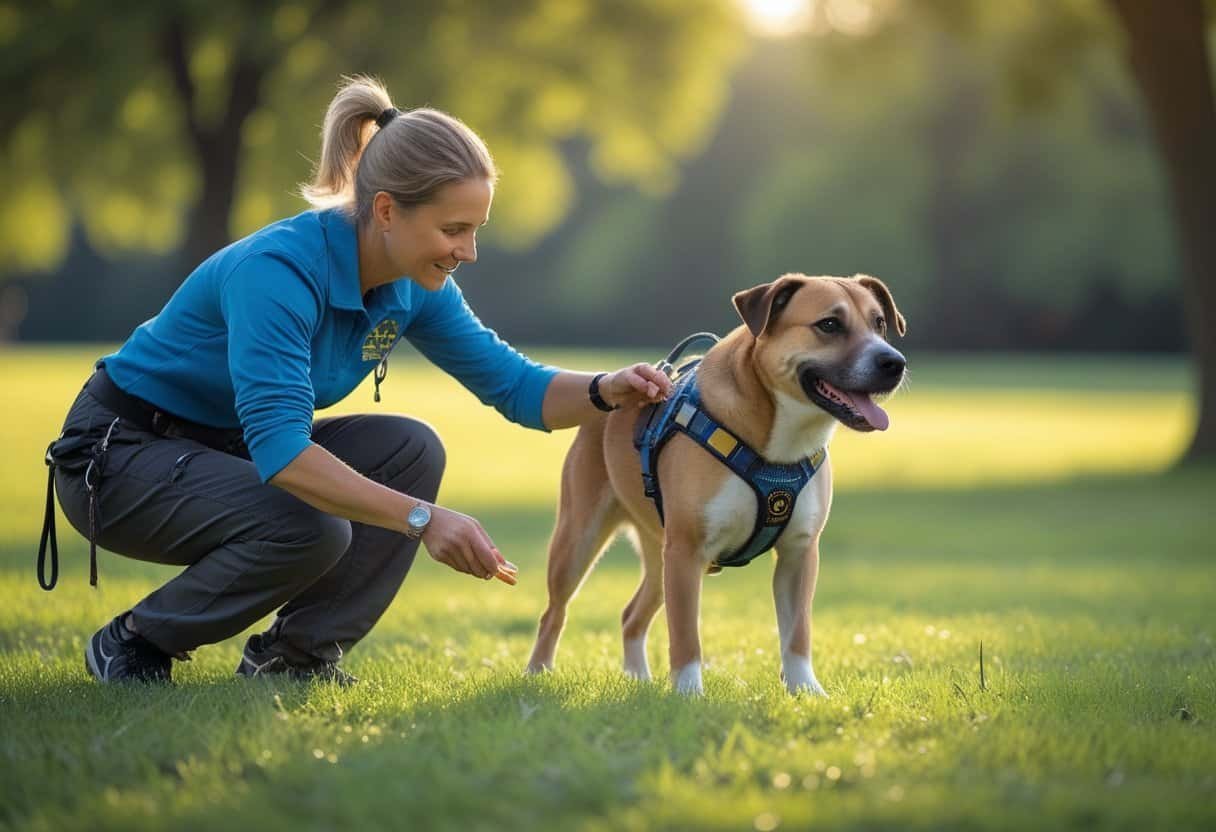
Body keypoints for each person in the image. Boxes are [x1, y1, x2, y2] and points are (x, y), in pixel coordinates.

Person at [38, 75, 674, 686]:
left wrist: (606, 388)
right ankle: (137, 639)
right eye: (454, 229)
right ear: (387, 210)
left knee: (411, 448)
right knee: (310, 527)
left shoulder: (416, 283)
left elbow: (517, 387)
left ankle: (293, 658)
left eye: (475, 230)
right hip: (119, 458)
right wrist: (425, 520)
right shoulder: (279, 273)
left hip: (221, 453)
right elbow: (285, 454)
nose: (467, 251)